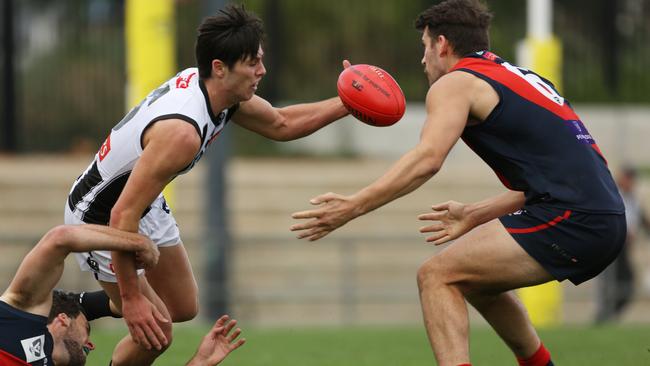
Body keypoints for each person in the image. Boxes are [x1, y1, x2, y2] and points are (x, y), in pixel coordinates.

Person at [291, 1, 626, 365]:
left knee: (437, 276)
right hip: (598, 212)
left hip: (576, 218)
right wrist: (474, 213)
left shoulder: (456, 83)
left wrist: (353, 206)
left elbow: (428, 159)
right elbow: (555, 176)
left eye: (424, 47)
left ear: (442, 45)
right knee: (476, 281)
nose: (423, 60)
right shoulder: (519, 77)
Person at [64, 4, 348, 365]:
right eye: (252, 63)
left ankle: (82, 304)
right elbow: (122, 215)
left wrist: (347, 104)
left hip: (139, 204)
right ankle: (116, 305)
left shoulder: (221, 93)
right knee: (157, 332)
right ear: (219, 67)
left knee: (182, 306)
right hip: (99, 217)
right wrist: (133, 299)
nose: (261, 70)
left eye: (260, 59)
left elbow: (280, 124)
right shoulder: (183, 133)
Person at [0, 224, 245, 366]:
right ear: (63, 320)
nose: (90, 346)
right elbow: (60, 238)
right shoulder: (17, 316)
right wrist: (138, 243)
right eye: (88, 332)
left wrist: (198, 363)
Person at [595, 166, 650, 323]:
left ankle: (610, 315)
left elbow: (641, 220)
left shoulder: (633, 198)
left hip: (624, 248)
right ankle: (604, 316)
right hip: (610, 244)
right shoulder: (611, 194)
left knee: (628, 282)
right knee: (609, 282)